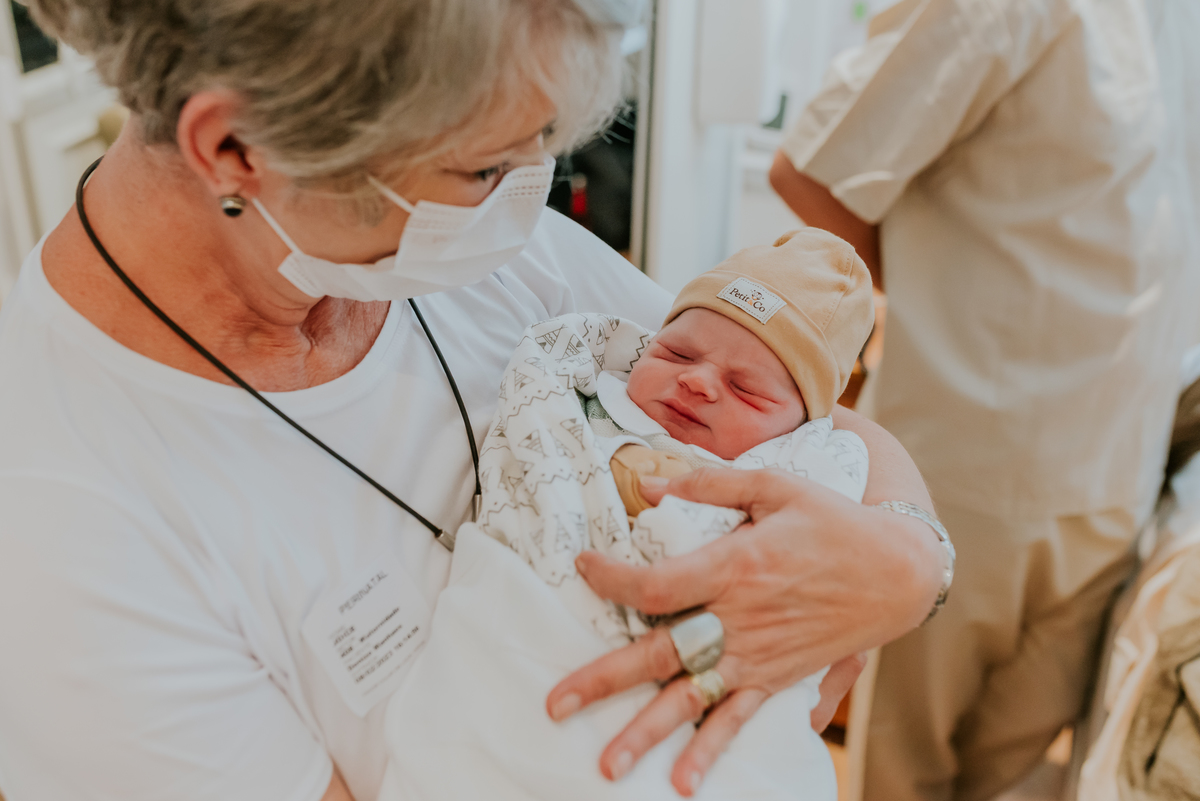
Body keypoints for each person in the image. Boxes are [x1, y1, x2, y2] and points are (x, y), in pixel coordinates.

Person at [0, 2, 947, 801]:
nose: (526, 198)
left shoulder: (480, 249)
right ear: (233, 146)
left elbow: (802, 420)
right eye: (486, 168)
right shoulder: (74, 543)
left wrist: (906, 561)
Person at [767, 1, 1196, 799]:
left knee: (1022, 779)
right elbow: (817, 169)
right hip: (972, 465)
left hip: (1117, 473)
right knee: (904, 771)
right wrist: (934, 303)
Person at [381, 228, 877, 801]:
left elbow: (817, 557)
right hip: (530, 623)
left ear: (800, 427)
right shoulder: (583, 400)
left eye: (746, 389)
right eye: (677, 354)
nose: (696, 380)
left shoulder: (796, 471)